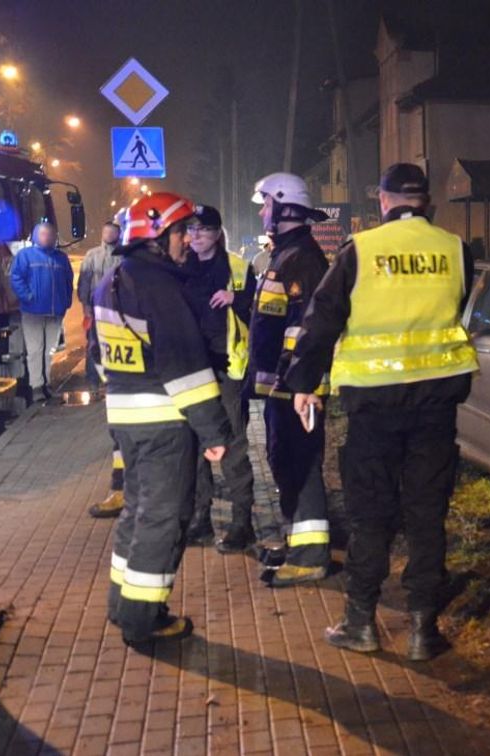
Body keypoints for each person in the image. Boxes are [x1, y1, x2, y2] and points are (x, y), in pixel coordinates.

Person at [285, 163, 477, 661]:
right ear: (427, 202)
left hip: (374, 405)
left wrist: (305, 383)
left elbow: (321, 319)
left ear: (384, 201)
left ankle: (360, 623)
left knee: (371, 517)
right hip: (436, 404)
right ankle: (422, 630)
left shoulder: (360, 250)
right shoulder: (456, 250)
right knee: (426, 514)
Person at [93, 192, 230, 646]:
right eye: (179, 232)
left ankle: (122, 605)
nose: (187, 241)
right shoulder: (160, 287)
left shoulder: (109, 282)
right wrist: (214, 431)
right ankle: (142, 620)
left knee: (137, 511)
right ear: (155, 236)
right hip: (165, 424)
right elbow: (185, 366)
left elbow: (100, 356)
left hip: (126, 422)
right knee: (164, 520)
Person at [247, 172, 331, 587]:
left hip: (296, 389)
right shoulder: (285, 256)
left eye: (266, 205)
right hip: (283, 388)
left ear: (283, 207)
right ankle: (298, 541)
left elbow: (308, 330)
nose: (263, 213)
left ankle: (312, 555)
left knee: (300, 463)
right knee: (285, 462)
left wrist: (305, 387)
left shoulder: (304, 259)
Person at [179, 205, 258, 553]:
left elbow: (261, 309)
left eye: (203, 229)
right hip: (191, 373)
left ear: (217, 232)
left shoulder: (238, 267)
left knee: (233, 448)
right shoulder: (177, 267)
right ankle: (200, 518)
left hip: (226, 370)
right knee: (194, 448)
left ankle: (242, 523)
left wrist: (235, 298)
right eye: (191, 229)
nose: (196, 235)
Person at [80, 220, 130, 519]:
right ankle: (121, 490)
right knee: (119, 440)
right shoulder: (94, 258)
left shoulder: (136, 274)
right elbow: (84, 284)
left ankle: (127, 491)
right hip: (122, 384)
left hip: (140, 390)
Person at [10, 222, 73, 404]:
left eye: (50, 234)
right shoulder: (25, 256)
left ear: (55, 237)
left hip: (55, 313)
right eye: (43, 234)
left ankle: (47, 384)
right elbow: (16, 278)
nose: (47, 237)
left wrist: (66, 301)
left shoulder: (61, 258)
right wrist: (28, 297)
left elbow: (68, 281)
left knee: (49, 351)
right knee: (35, 351)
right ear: (36, 236)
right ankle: (37, 386)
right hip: (33, 312)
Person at [78, 221, 123, 395]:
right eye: (106, 232)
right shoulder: (92, 255)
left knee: (116, 344)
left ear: (118, 234)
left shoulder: (123, 256)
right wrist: (85, 304)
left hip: (117, 307)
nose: (109, 235)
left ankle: (113, 380)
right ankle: (93, 381)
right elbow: (84, 281)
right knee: (93, 344)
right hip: (95, 307)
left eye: (112, 232)